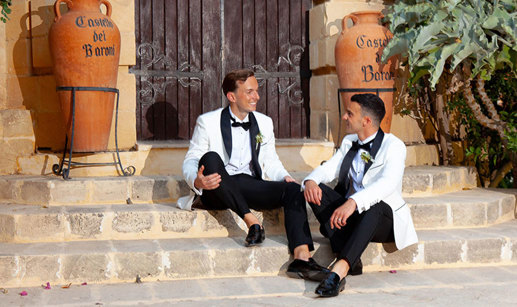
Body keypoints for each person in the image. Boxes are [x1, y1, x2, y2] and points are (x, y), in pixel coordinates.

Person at [180, 69, 328, 279]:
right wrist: (197, 180)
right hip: (218, 188)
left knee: (294, 188)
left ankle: (302, 258)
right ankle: (252, 223)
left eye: (256, 91)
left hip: (248, 185)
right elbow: (192, 159)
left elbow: (270, 160)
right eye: (249, 92)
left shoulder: (264, 122)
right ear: (231, 97)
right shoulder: (208, 121)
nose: (256, 97)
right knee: (211, 158)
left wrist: (284, 177)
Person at [295, 93, 418, 297]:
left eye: (349, 114)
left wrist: (353, 201)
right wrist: (310, 181)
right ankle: (351, 257)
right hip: (354, 216)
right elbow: (330, 168)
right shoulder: (349, 141)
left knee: (375, 206)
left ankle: (339, 271)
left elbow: (387, 184)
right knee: (318, 191)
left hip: (383, 220)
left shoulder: (394, 146)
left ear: (366, 121)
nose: (344, 117)